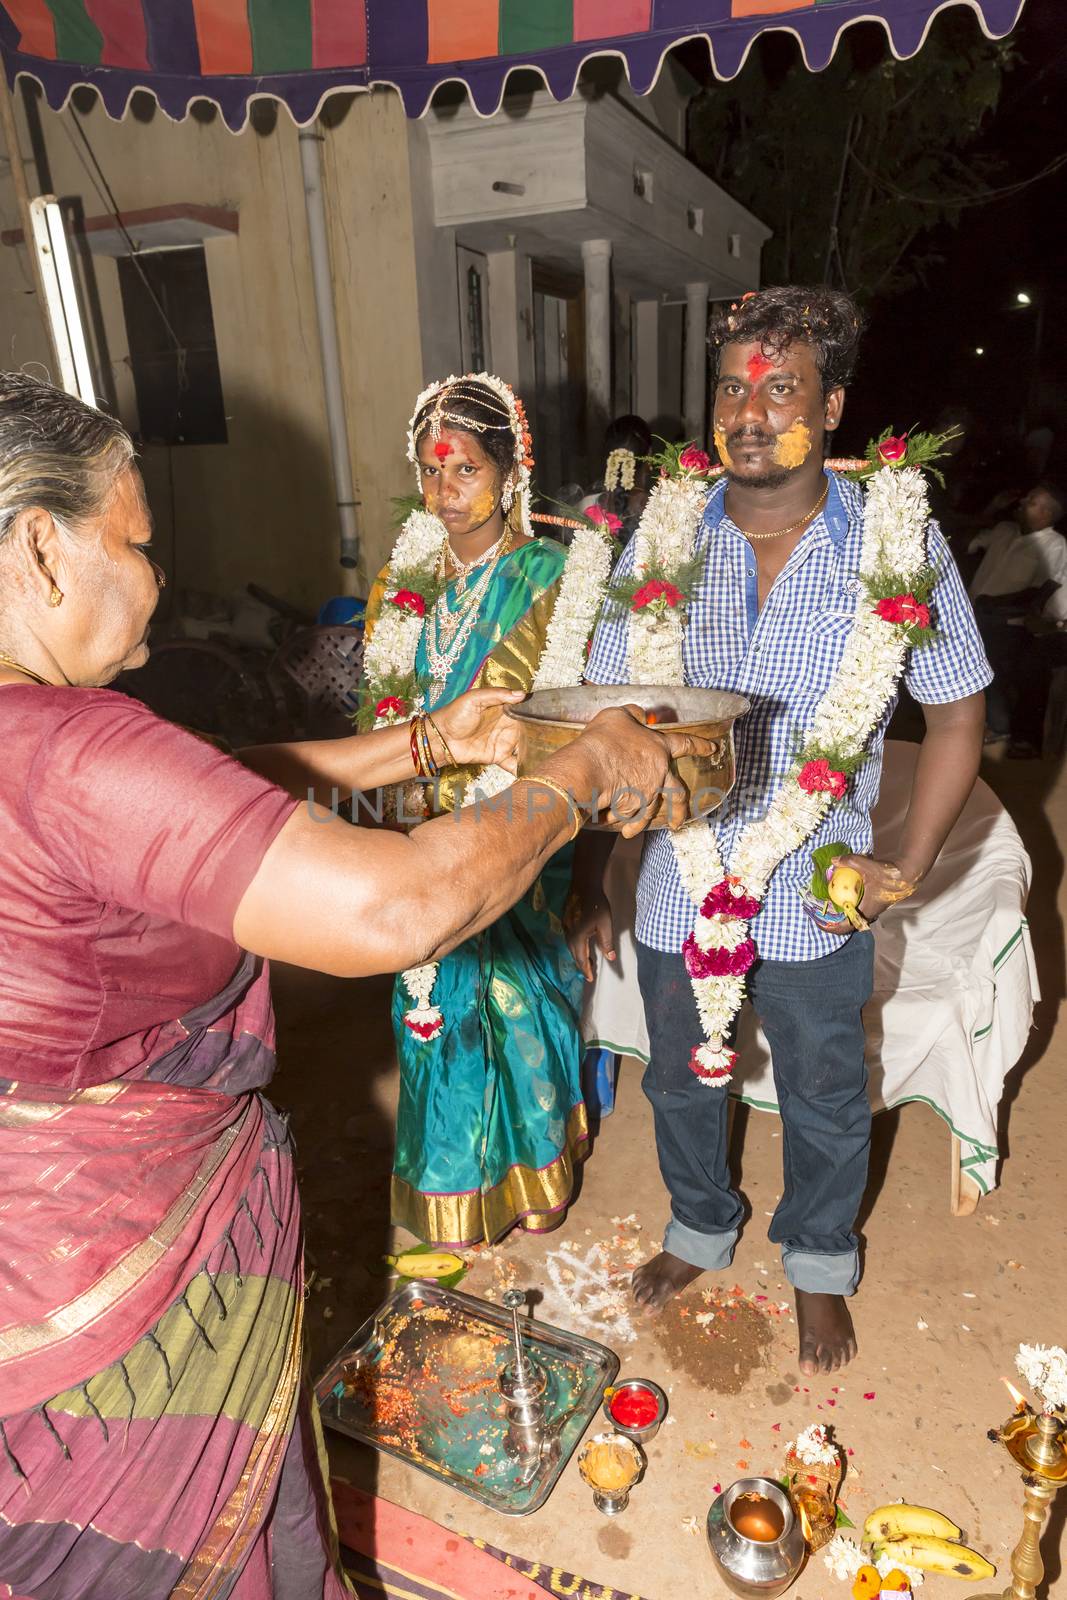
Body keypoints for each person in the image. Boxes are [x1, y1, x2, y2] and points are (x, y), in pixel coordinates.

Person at [0, 373, 693, 1596]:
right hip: (114, 1280)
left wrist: (431, 740)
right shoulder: (69, 751)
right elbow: (395, 903)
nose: (157, 577)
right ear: (42, 547)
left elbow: (210, 787)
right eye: (139, 542)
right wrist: (582, 768)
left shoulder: (49, 740)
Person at [568, 286, 992, 1376]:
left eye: (781, 387)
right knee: (677, 1076)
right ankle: (700, 1226)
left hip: (818, 881)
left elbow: (955, 713)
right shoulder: (665, 535)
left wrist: (901, 860)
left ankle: (814, 1262)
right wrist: (586, 863)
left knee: (822, 1088)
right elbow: (599, 714)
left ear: (833, 404)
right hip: (676, 872)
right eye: (730, 386)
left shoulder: (895, 541)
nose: (749, 410)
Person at [362, 375, 599, 1250]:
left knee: (518, 992)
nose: (443, 491)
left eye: (463, 468)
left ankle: (537, 1168)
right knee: (432, 1006)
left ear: (511, 470)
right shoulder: (401, 582)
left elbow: (567, 717)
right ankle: (451, 1186)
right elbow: (378, 711)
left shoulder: (553, 576)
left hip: (514, 818)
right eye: (429, 471)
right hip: (414, 820)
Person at [966, 480, 1067, 748]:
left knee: (992, 673)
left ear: (1046, 514)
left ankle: (999, 726)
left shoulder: (1055, 546)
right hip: (974, 614)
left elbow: (1040, 592)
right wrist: (992, 508)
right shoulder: (1004, 530)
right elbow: (968, 539)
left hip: (1008, 622)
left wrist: (994, 603)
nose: (1022, 502)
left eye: (1031, 501)